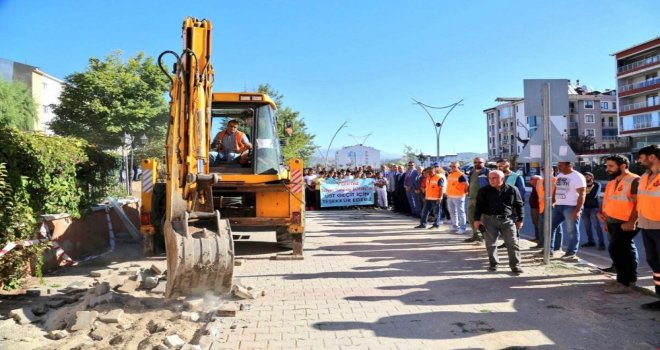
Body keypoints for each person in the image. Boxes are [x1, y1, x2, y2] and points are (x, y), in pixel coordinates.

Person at [598, 155, 640, 294]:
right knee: (622, 250)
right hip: (612, 221)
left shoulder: (634, 180)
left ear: (622, 166)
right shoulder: (612, 181)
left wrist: (632, 222)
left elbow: (637, 204)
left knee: (618, 251)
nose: (607, 169)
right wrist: (604, 218)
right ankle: (628, 279)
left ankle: (624, 282)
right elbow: (608, 201)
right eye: (606, 166)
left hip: (625, 222)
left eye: (611, 166)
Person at [473, 170, 524, 274]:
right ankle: (494, 264)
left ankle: (515, 265)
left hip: (507, 220)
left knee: (513, 243)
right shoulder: (484, 190)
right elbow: (478, 206)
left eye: (494, 178)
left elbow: (519, 205)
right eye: (490, 178)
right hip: (489, 220)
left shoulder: (512, 189)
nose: (491, 180)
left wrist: (520, 220)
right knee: (490, 244)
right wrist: (477, 220)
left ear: (502, 179)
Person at [636, 144, 660, 310]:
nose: (639, 160)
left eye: (641, 157)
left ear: (652, 157)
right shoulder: (645, 176)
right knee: (654, 261)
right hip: (646, 223)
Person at [549, 161, 586, 262]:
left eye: (560, 166)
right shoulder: (560, 175)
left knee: (572, 231)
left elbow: (582, 194)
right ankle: (549, 251)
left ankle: (571, 252)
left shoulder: (578, 177)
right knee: (550, 228)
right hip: (558, 206)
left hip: (571, 207)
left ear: (569, 165)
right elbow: (556, 189)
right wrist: (553, 201)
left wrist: (578, 210)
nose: (558, 168)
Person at [465, 157, 490, 243]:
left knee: (482, 219)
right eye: (475, 162)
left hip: (483, 200)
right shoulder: (472, 171)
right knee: (471, 217)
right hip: (471, 198)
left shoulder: (488, 172)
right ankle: (476, 235)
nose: (477, 164)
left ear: (484, 163)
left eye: (480, 162)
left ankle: (485, 237)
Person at [581, 172, 606, 250]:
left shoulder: (597, 185)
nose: (586, 178)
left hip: (594, 208)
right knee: (587, 226)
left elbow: (593, 195)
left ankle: (601, 243)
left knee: (596, 226)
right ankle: (591, 241)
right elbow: (578, 194)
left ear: (592, 177)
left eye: (588, 177)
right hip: (584, 208)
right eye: (585, 177)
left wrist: (583, 194)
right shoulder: (582, 185)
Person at [446, 161, 469, 234]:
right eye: (451, 166)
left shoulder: (461, 175)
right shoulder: (450, 174)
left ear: (458, 167)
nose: (452, 168)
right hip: (450, 196)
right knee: (452, 212)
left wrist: (464, 192)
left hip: (459, 196)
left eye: (454, 166)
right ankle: (455, 226)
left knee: (461, 212)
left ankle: (462, 228)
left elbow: (466, 185)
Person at [529, 175, 542, 242]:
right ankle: (537, 237)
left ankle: (539, 239)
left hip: (537, 208)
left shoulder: (539, 186)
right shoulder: (534, 187)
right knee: (535, 223)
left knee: (538, 224)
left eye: (531, 179)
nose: (530, 181)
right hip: (533, 207)